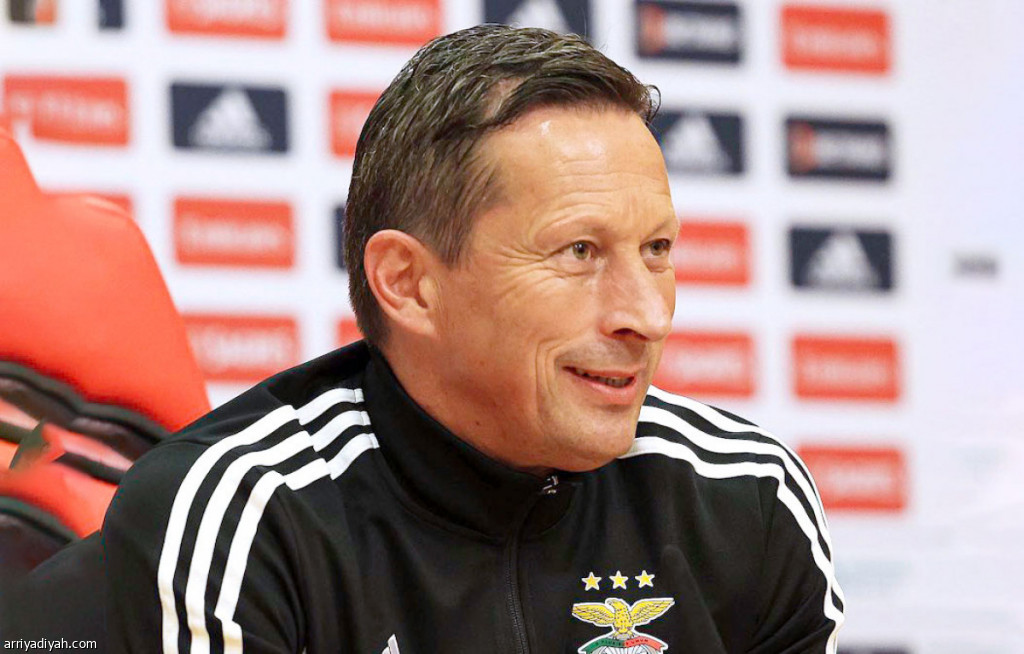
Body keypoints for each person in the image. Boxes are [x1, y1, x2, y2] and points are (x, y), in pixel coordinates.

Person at [100, 24, 843, 653]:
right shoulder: (247, 515)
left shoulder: (745, 495)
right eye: (579, 252)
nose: (647, 315)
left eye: (657, 250)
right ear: (409, 284)